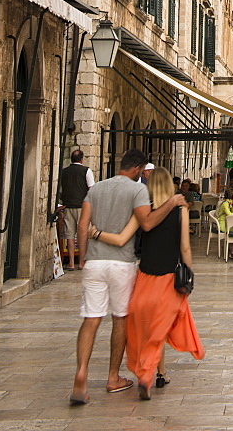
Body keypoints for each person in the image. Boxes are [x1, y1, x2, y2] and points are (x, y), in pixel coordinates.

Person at [70, 149, 186, 405]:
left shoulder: (96, 189)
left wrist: (82, 256)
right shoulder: (138, 191)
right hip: (121, 262)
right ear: (137, 169)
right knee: (120, 319)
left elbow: (82, 225)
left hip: (94, 262)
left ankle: (81, 373)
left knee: (91, 319)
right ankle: (113, 377)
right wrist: (172, 203)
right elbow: (146, 223)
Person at [92, 167, 204, 399]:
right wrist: (189, 274)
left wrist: (96, 234)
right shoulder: (180, 212)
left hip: (144, 279)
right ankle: (146, 375)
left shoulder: (142, 212)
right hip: (167, 280)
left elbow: (122, 238)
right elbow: (185, 247)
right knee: (159, 330)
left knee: (146, 329)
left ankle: (157, 372)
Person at [60, 150, 94, 271]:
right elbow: (91, 189)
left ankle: (71, 263)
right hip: (82, 206)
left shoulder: (64, 172)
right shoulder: (86, 171)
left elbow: (61, 188)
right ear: (81, 159)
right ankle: (81, 262)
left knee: (69, 234)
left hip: (68, 206)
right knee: (82, 233)